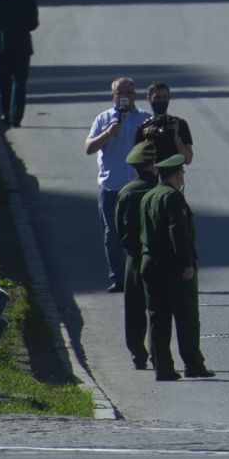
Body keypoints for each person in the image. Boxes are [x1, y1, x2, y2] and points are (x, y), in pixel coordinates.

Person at [139, 154, 213, 380]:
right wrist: (186, 263)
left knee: (157, 317)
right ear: (178, 174)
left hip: (149, 261)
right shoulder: (173, 197)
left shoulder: (148, 196)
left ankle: (162, 367)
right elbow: (177, 233)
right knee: (186, 316)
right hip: (172, 265)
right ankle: (193, 364)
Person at [85, 77, 147, 292]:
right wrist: (108, 133)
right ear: (113, 97)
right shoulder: (103, 119)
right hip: (110, 185)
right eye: (120, 94)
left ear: (135, 95)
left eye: (129, 93)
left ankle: (138, 274)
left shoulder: (145, 119)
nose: (125, 98)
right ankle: (118, 277)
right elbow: (89, 148)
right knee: (112, 233)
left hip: (137, 185)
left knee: (138, 231)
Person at [115, 142, 159, 369]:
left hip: (134, 257)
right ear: (154, 165)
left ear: (134, 168)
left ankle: (137, 354)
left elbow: (119, 230)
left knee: (134, 308)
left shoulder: (126, 192)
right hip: (159, 257)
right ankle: (158, 353)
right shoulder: (162, 191)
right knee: (157, 308)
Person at [134, 82, 194, 166]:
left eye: (165, 97)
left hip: (174, 175)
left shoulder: (179, 124)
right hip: (153, 176)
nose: (161, 101)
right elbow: (137, 162)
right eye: (157, 98)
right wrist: (148, 141)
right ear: (149, 99)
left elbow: (188, 159)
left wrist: (176, 138)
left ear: (169, 99)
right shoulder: (143, 128)